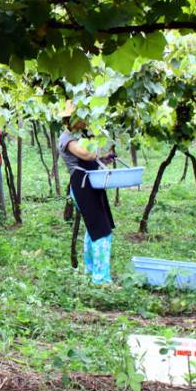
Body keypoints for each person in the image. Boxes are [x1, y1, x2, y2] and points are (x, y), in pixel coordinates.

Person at [58, 101, 116, 284]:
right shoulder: (67, 139)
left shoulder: (80, 136)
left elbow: (93, 158)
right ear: (71, 119)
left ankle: (92, 272)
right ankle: (101, 280)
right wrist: (96, 136)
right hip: (83, 186)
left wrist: (104, 159)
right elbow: (88, 155)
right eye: (82, 117)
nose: (86, 120)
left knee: (95, 229)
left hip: (92, 184)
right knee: (100, 230)